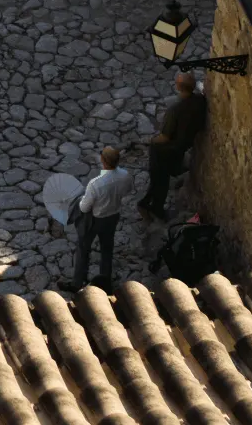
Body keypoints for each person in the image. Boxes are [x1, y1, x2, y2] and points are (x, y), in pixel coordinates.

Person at [140, 74, 208, 218]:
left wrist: (149, 140)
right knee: (163, 177)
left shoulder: (174, 110)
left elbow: (164, 137)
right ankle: (146, 203)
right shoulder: (200, 101)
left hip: (164, 151)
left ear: (178, 87)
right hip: (181, 148)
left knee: (160, 180)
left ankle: (154, 208)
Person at [66, 146, 133, 290]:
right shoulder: (126, 175)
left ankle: (78, 283)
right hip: (113, 216)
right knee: (107, 249)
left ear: (103, 160)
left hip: (96, 220)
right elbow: (128, 190)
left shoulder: (96, 183)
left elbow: (84, 208)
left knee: (83, 248)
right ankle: (105, 281)